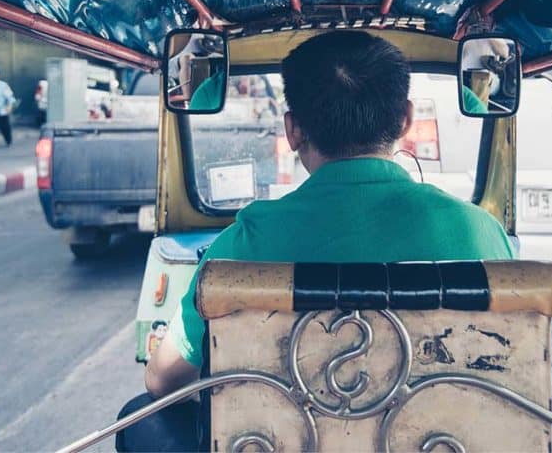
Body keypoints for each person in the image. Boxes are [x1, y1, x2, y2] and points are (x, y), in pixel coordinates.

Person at [116, 31, 515, 452]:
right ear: (405, 120)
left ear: (293, 131)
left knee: (139, 417)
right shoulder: (480, 233)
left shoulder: (243, 246)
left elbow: (161, 380)